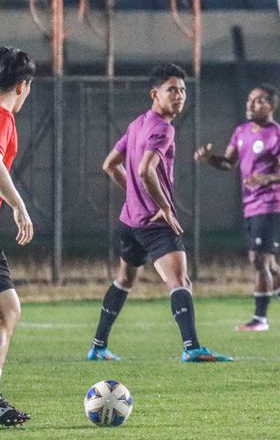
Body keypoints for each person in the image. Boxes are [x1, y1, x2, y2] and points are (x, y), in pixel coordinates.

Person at [86, 64, 233, 362]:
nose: (179, 96)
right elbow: (144, 170)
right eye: (172, 90)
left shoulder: (137, 124)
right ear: (155, 94)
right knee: (180, 282)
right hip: (154, 222)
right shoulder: (163, 129)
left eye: (182, 90)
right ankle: (191, 348)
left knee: (124, 280)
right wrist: (164, 207)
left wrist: (134, 195)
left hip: (130, 221)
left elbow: (110, 165)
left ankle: (98, 346)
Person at [194, 85, 280, 331]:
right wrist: (211, 158)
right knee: (264, 263)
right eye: (250, 100)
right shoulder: (241, 131)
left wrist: (267, 178)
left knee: (259, 260)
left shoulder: (277, 137)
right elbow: (229, 163)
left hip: (270, 204)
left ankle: (260, 320)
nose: (251, 105)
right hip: (251, 204)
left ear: (272, 106)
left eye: (259, 101)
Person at [0, 47, 36, 426]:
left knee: (7, 308)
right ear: (23, 86)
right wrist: (19, 206)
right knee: (6, 310)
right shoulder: (3, 117)